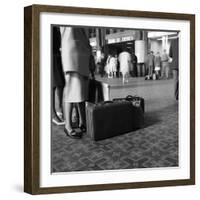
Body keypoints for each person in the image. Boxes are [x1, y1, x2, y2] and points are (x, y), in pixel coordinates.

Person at [60, 27, 94, 139]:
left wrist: (90, 55)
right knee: (72, 89)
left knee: (81, 91)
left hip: (83, 52)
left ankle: (83, 122)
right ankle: (68, 126)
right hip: (71, 51)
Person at [52, 26, 65, 125]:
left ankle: (59, 111)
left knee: (59, 84)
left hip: (57, 56)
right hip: (52, 56)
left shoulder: (56, 29)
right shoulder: (51, 28)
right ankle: (54, 114)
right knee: (54, 85)